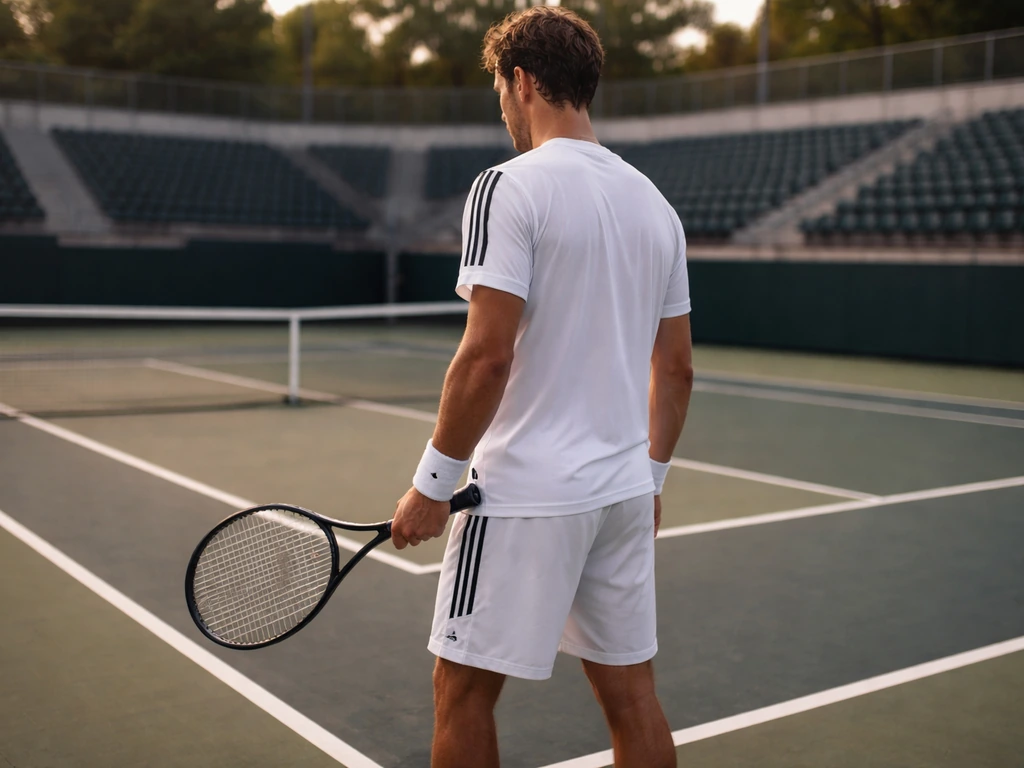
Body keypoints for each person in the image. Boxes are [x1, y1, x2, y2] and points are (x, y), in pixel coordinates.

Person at [390, 6, 693, 767]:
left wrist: (432, 484)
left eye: (500, 88)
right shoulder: (657, 206)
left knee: (460, 691)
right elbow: (679, 367)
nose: (502, 107)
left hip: (523, 493)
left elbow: (485, 357)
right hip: (623, 491)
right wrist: (650, 477)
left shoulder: (506, 186)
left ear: (521, 81)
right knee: (632, 698)